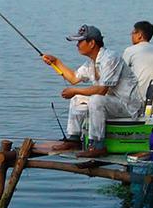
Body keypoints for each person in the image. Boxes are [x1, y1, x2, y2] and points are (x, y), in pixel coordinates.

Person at [42, 24, 144, 157]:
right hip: (111, 103)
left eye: (80, 41)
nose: (77, 45)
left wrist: (75, 90)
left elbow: (101, 90)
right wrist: (56, 62)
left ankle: (97, 145)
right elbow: (73, 78)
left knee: (96, 99)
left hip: (128, 107)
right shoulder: (92, 62)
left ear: (91, 43)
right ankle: (74, 139)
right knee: (77, 98)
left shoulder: (110, 58)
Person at [123, 21, 153, 105]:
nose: (131, 35)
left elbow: (120, 74)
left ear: (139, 35)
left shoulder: (130, 50)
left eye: (133, 32)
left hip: (143, 96)